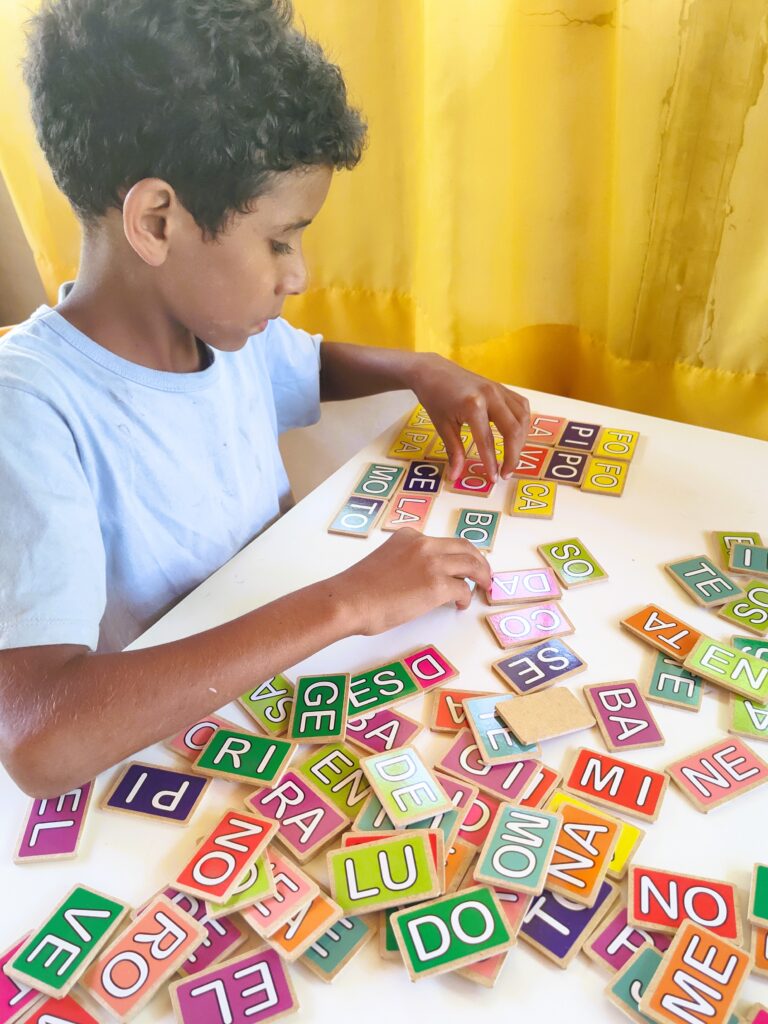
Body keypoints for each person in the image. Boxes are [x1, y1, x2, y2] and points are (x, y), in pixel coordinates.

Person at [0, 0, 530, 798]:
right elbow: (40, 739)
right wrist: (348, 600)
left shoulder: (214, 330)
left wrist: (419, 369)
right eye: (280, 238)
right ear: (156, 220)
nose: (299, 274)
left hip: (280, 696)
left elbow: (308, 365)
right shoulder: (29, 409)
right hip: (159, 762)